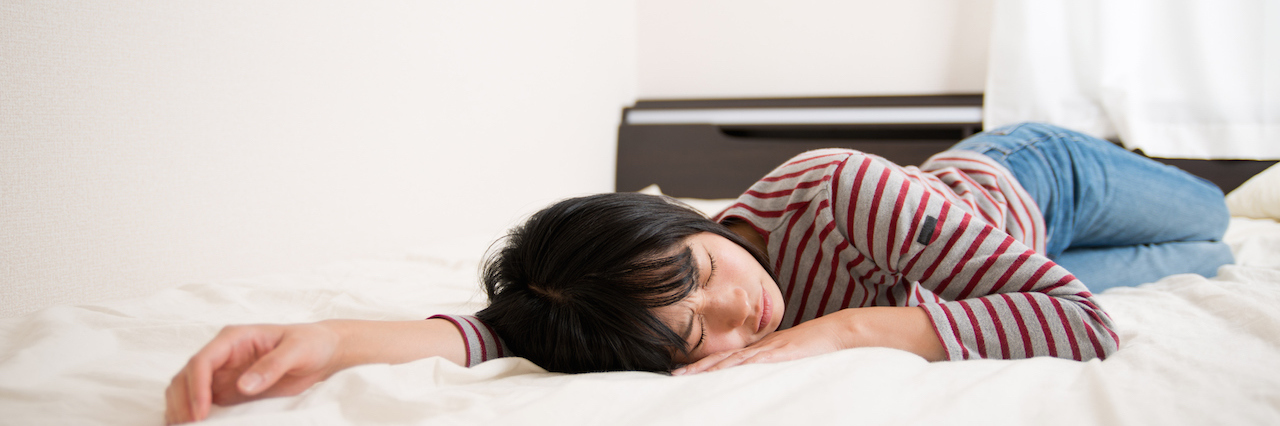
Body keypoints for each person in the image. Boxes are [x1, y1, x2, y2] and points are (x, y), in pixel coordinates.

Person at [164, 123, 1233, 424]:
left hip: (1028, 179)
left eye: (698, 270)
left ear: (665, 220)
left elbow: (1074, 323)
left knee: (1213, 215)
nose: (740, 314)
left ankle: (1128, 142)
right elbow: (490, 330)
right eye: (695, 338)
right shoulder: (608, 305)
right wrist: (322, 338)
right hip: (1003, 266)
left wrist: (845, 329)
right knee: (1210, 261)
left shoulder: (836, 187)